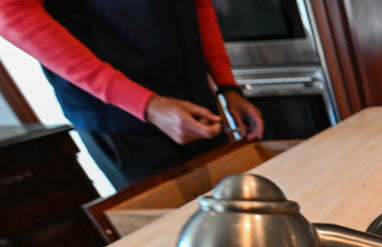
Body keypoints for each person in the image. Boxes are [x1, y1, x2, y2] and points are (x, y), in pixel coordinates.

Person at [0, 0, 264, 189]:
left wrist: (227, 86)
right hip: (121, 119)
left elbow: (198, 5)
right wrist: (146, 105)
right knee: (168, 239)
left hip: (194, 101)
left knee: (238, 213)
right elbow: (11, 11)